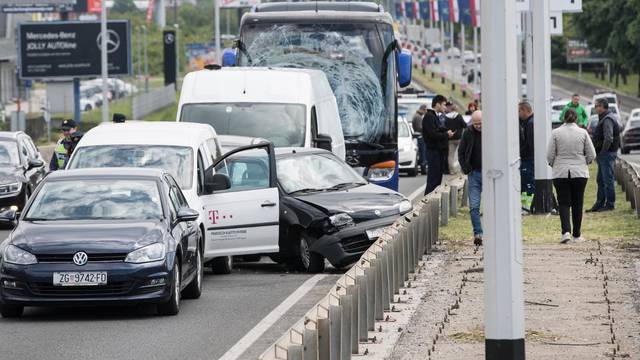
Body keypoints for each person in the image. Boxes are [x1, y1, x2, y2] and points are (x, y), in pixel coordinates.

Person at [547, 109, 596, 243]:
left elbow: (549, 155)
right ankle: (577, 234)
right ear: (576, 119)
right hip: (579, 173)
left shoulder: (555, 133)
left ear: (563, 118)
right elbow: (592, 154)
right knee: (577, 203)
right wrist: (583, 162)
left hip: (560, 172)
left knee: (563, 202)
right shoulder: (583, 133)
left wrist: (554, 164)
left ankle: (566, 232)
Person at [586, 98, 621, 212]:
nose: (595, 108)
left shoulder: (607, 119)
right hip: (604, 154)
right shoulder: (606, 117)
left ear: (602, 106)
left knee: (607, 180)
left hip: (606, 154)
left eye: (597, 106)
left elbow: (609, 138)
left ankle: (610, 204)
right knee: (600, 180)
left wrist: (603, 151)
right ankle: (600, 203)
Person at [458, 110, 483, 246]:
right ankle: (478, 233)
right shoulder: (468, 133)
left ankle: (492, 231)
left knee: (493, 206)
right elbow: (461, 152)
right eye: (476, 124)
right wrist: (466, 167)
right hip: (474, 173)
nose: (478, 126)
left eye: (480, 123)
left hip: (489, 173)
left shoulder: (490, 131)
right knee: (474, 206)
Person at [423, 95, 454, 195]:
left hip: (438, 151)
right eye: (444, 105)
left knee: (437, 179)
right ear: (437, 104)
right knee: (433, 179)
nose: (445, 107)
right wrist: (446, 134)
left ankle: (433, 202)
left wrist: (445, 131)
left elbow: (437, 129)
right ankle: (427, 202)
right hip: (433, 151)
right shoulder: (429, 116)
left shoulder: (434, 116)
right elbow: (432, 134)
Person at [518, 101, 535, 212]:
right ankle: (524, 205)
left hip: (528, 159)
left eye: (519, 111)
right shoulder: (528, 122)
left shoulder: (530, 124)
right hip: (529, 159)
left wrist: (519, 152)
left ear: (524, 110)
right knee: (525, 184)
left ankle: (527, 206)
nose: (518, 114)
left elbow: (529, 144)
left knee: (528, 183)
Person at [445, 101, 467, 175]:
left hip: (450, 138)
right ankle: (462, 169)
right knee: (461, 153)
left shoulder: (446, 116)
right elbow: (464, 125)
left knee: (450, 155)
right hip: (459, 138)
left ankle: (451, 170)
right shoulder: (459, 116)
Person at [412, 104, 428, 175]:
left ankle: (423, 168)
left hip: (418, 137)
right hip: (420, 137)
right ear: (423, 109)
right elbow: (419, 128)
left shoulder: (417, 116)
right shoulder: (418, 117)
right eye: (425, 110)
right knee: (423, 153)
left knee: (422, 153)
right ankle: (423, 169)